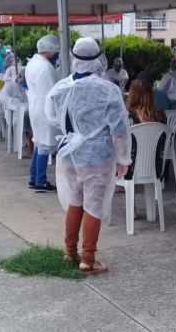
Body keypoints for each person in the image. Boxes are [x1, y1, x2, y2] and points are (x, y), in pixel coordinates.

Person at [45, 37, 131, 273]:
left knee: (76, 201)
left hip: (69, 152)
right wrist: (124, 159)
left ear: (73, 57)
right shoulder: (108, 90)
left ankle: (70, 252)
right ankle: (88, 258)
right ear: (99, 59)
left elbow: (52, 117)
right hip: (97, 154)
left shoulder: (62, 87)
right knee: (94, 205)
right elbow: (119, 129)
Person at [26, 34, 61, 192]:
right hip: (43, 108)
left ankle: (34, 177)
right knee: (45, 145)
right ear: (51, 50)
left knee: (39, 143)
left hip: (36, 107)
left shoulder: (33, 62)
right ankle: (40, 180)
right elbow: (50, 93)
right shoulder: (45, 67)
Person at [124, 79, 168, 184]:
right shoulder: (161, 115)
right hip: (156, 168)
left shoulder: (127, 116)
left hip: (130, 170)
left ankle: (119, 185)